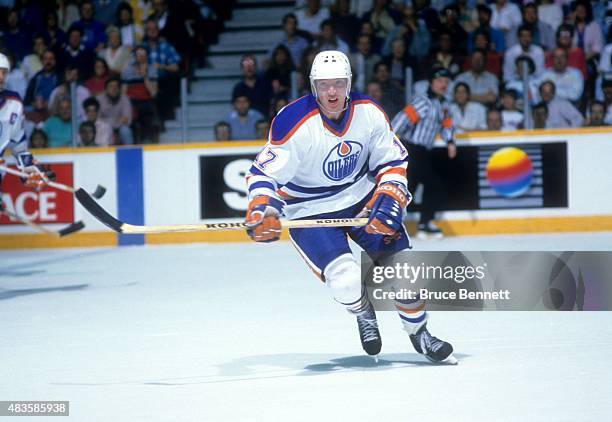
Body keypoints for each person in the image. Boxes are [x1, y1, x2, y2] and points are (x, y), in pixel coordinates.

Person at [244, 50, 456, 364]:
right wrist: (264, 207)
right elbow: (264, 173)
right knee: (345, 282)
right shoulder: (293, 121)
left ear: (349, 83)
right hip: (309, 209)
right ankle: (362, 310)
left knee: (407, 269)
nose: (332, 92)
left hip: (360, 199)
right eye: (324, 84)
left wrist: (391, 191)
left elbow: (392, 159)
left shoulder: (369, 112)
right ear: (313, 86)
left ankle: (419, 333)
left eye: (339, 84)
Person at [391, 66, 457, 239]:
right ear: (432, 82)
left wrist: (450, 141)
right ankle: (423, 224)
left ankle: (397, 224)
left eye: (446, 82)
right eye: (440, 81)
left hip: (422, 152)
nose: (444, 84)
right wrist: (390, 139)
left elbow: (446, 125)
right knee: (434, 185)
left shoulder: (443, 105)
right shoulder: (423, 102)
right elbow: (402, 120)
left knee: (408, 188)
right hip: (412, 149)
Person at [0, 53, 49, 206]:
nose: (1, 77)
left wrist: (29, 171)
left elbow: (18, 147)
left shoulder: (13, 103)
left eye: (4, 72)